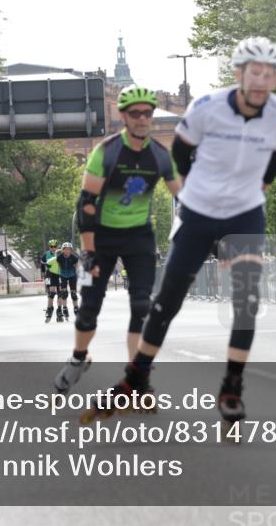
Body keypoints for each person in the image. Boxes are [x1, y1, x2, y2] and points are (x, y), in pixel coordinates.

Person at [78, 38, 276, 435]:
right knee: (167, 301)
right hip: (198, 211)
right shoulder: (206, 108)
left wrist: (260, 186)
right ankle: (136, 376)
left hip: (245, 214)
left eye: (269, 75)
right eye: (254, 73)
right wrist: (201, 191)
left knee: (247, 299)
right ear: (239, 74)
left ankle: (232, 386)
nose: (261, 81)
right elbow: (179, 155)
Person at [54, 85, 180, 394]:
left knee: (141, 305)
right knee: (88, 309)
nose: (142, 119)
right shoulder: (106, 151)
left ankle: (137, 378)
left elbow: (185, 197)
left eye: (147, 113)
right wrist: (89, 251)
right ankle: (79, 358)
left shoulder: (161, 155)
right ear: (123, 116)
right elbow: (85, 203)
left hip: (139, 237)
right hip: (101, 236)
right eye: (135, 113)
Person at [40, 239, 61, 323]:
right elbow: (42, 265)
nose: (53, 248)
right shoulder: (46, 254)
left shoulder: (60, 254)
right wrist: (43, 275)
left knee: (60, 293)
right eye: (51, 246)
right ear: (49, 247)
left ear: (57, 246)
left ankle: (59, 310)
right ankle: (49, 308)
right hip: (49, 275)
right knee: (51, 293)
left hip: (59, 274)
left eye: (55, 246)